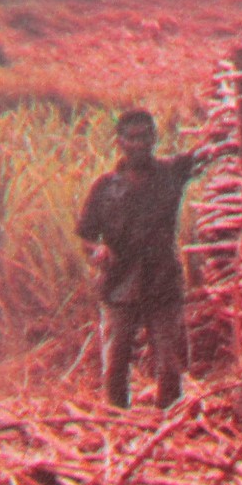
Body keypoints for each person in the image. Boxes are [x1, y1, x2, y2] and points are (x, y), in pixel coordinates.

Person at [76, 109, 197, 409]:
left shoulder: (172, 173)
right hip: (119, 285)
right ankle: (115, 423)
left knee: (169, 364)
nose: (140, 144)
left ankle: (167, 423)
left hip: (162, 283)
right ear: (120, 142)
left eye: (145, 137)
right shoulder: (105, 188)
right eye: (132, 138)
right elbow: (85, 235)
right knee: (116, 364)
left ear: (154, 139)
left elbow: (208, 151)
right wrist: (96, 252)